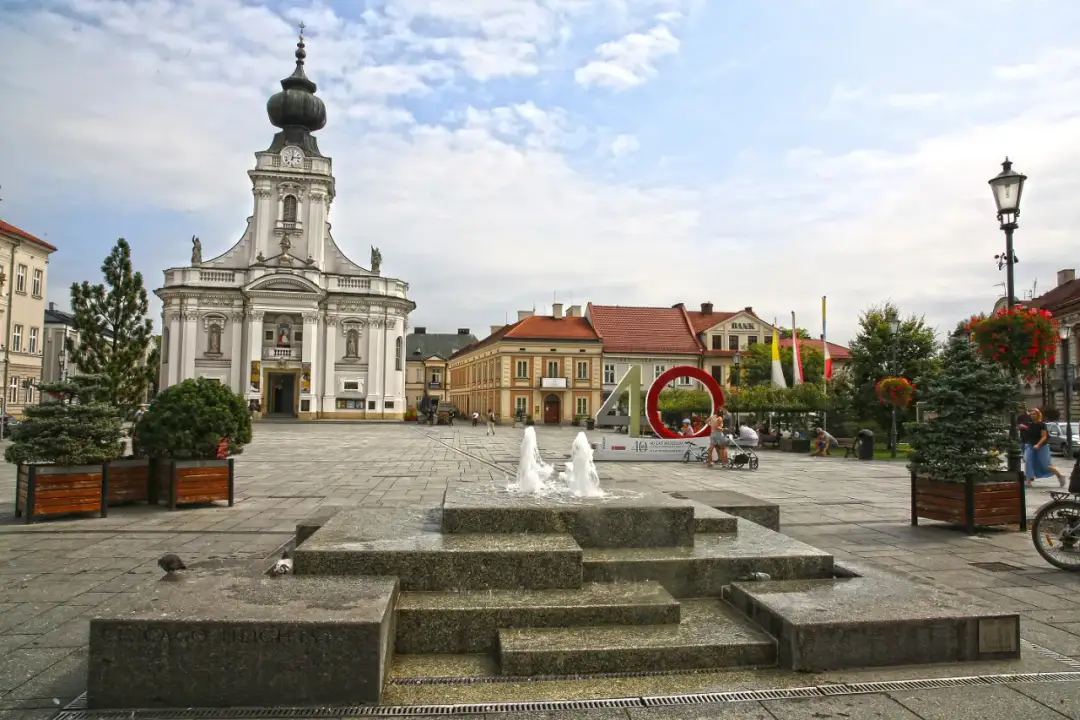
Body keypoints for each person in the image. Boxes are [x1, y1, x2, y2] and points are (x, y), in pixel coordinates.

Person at [1024, 408, 1066, 487]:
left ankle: (1060, 475)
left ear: (1038, 415)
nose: (1032, 416)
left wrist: (1038, 445)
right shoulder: (1031, 425)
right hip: (1031, 446)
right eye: (1031, 414)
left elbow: (1044, 437)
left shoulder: (1042, 425)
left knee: (1045, 465)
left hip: (1042, 446)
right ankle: (1028, 481)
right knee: (1029, 462)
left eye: (1034, 414)